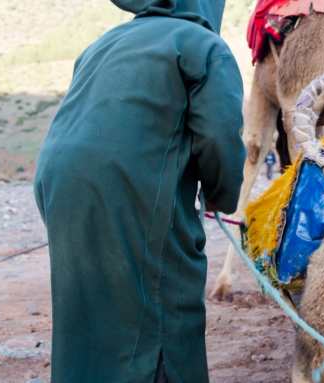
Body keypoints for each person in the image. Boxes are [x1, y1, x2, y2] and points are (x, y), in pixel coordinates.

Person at [33, 0, 245, 381]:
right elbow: (219, 136)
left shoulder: (103, 43)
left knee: (88, 303)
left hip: (58, 182)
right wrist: (220, 193)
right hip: (133, 183)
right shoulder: (203, 45)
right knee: (165, 298)